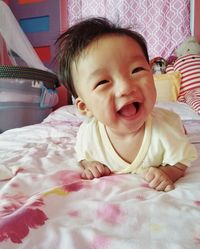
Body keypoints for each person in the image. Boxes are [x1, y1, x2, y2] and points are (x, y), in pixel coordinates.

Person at [56, 17, 197, 192]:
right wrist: (90, 164)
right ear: (85, 107)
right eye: (102, 82)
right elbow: (83, 154)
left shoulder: (166, 130)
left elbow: (181, 161)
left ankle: (182, 128)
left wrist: (168, 172)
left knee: (177, 128)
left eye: (136, 70)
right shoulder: (90, 133)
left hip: (169, 124)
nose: (125, 87)